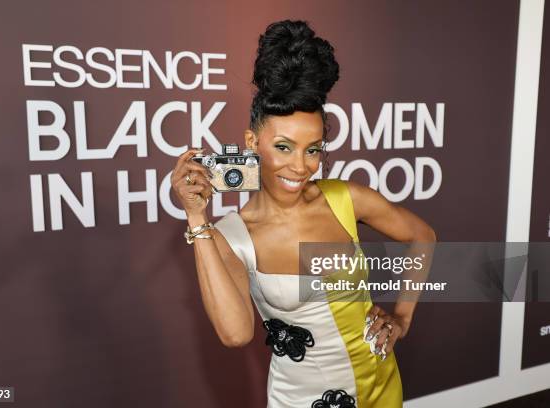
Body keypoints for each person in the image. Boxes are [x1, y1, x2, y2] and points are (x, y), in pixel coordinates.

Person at [171, 19, 436, 408]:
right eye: (283, 147)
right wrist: (197, 220)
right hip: (306, 400)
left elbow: (422, 235)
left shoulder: (345, 198)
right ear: (251, 141)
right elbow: (235, 334)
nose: (301, 166)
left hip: (381, 384)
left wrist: (402, 319)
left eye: (312, 149)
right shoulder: (231, 235)